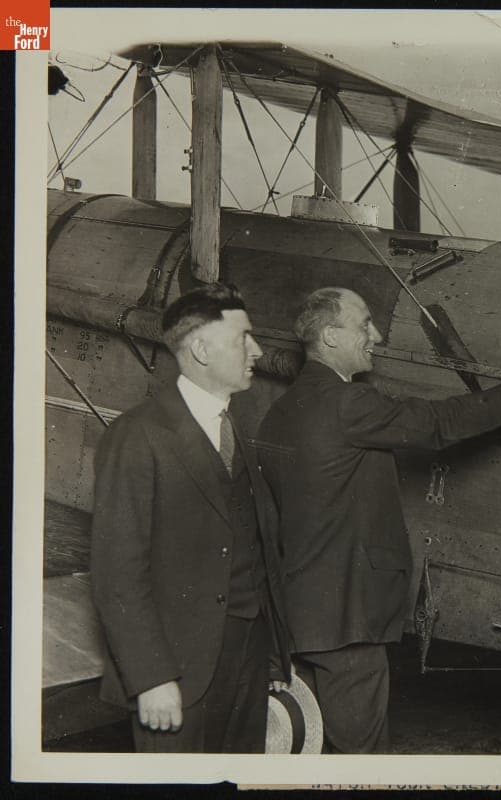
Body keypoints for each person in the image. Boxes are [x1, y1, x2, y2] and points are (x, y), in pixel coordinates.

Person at [256, 287, 501, 753]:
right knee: (363, 763)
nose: (376, 335)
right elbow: (437, 423)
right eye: (364, 324)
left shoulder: (278, 413)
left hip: (303, 617)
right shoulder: (345, 404)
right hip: (348, 619)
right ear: (331, 336)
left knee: (314, 752)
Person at [90, 283, 292, 753]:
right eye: (243, 337)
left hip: (248, 657)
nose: (257, 352)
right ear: (201, 349)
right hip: (176, 671)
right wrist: (151, 677)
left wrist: (273, 657)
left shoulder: (235, 426)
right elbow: (116, 573)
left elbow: (253, 542)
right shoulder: (137, 435)